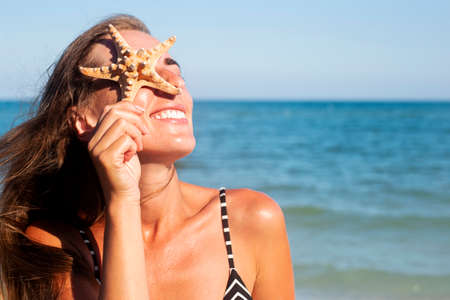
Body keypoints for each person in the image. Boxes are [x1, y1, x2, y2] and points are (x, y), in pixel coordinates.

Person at [0, 14, 294, 300]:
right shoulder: (59, 247)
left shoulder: (251, 218)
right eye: (136, 71)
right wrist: (123, 200)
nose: (171, 83)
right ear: (84, 120)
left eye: (174, 69)